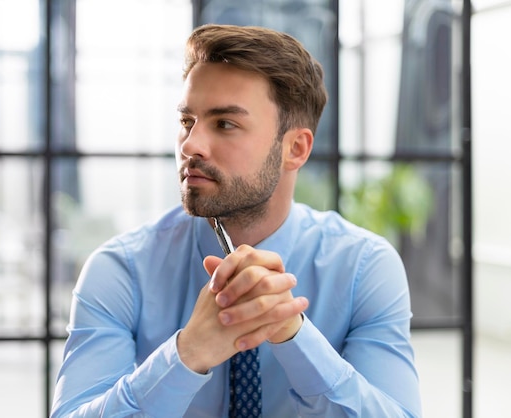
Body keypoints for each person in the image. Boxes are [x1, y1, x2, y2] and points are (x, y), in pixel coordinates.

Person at [51, 24, 421, 417]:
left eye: (224, 123)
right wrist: (188, 353)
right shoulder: (120, 270)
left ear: (295, 149)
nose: (190, 145)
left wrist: (292, 333)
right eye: (187, 122)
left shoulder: (365, 267)